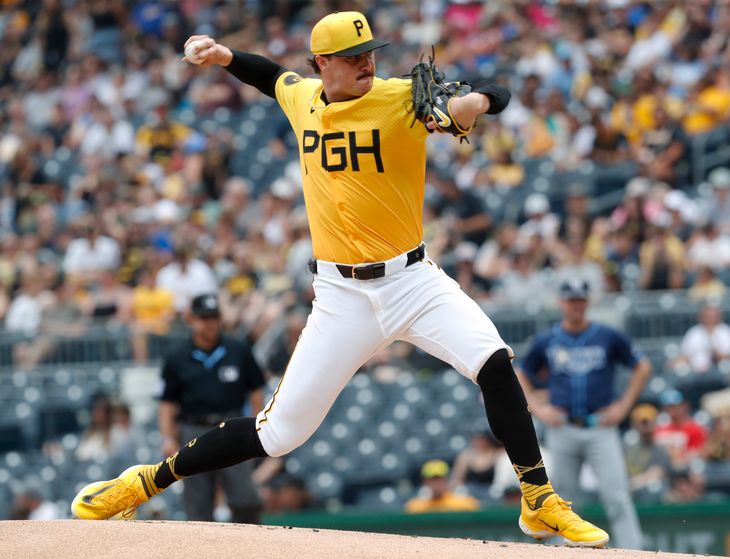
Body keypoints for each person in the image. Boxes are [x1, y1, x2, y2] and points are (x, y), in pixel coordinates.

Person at [72, 12, 608, 547]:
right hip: (341, 296)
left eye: (371, 52)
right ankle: (144, 482)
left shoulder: (401, 98)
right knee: (277, 435)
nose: (366, 63)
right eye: (353, 57)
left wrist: (477, 103)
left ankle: (538, 498)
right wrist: (223, 56)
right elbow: (270, 76)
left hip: (413, 281)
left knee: (493, 361)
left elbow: (496, 89)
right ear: (322, 64)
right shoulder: (303, 98)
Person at [517, 278, 651, 549]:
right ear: (561, 302)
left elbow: (642, 366)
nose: (576, 305)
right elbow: (521, 373)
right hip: (563, 426)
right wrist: (539, 408)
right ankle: (557, 553)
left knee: (617, 498)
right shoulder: (548, 339)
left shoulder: (607, 335)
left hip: (600, 426)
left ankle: (635, 553)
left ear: (587, 302)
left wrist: (623, 406)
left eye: (580, 300)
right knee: (561, 500)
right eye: (571, 300)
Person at [157, 293, 266, 523]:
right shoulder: (178, 357)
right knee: (197, 504)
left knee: (246, 499)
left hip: (233, 428)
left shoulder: (238, 350)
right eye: (204, 317)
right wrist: (167, 437)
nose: (210, 323)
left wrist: (257, 429)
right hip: (193, 430)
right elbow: (167, 403)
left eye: (214, 317)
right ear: (191, 319)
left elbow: (256, 391)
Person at [404, 459, 480, 514]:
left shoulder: (464, 504)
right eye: (433, 479)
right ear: (425, 482)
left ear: (446, 480)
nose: (436, 483)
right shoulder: (415, 507)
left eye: (439, 479)